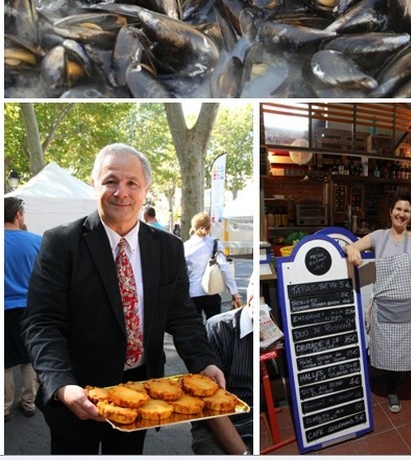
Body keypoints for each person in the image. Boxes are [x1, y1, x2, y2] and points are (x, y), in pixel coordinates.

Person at [21, 143, 225, 455]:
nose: (122, 192)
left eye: (132, 183)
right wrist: (61, 385)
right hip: (79, 394)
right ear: (94, 184)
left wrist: (204, 361)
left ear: (146, 190)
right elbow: (42, 323)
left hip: (142, 394)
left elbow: (182, 316)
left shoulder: (168, 247)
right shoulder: (61, 243)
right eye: (111, 181)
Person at [343, 192, 411, 414]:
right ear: (391, 211)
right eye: (398, 209)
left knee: (403, 352)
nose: (402, 214)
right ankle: (381, 383)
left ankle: (394, 390)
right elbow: (351, 247)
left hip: (410, 306)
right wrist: (352, 250)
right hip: (384, 307)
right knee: (384, 349)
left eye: (406, 211)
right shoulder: (378, 237)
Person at [191, 274, 254, 455]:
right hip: (219, 421)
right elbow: (210, 404)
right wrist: (243, 454)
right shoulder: (219, 329)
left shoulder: (269, 327)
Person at [4, 197, 42, 422]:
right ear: (18, 214)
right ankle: (29, 402)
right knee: (29, 358)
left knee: (4, 360)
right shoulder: (36, 241)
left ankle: (4, 407)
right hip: (30, 309)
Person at [184, 211, 241, 320]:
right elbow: (224, 267)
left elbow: (182, 272)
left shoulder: (185, 246)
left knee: (195, 328)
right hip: (212, 292)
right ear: (209, 227)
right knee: (214, 328)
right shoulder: (214, 243)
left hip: (192, 293)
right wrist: (234, 291)